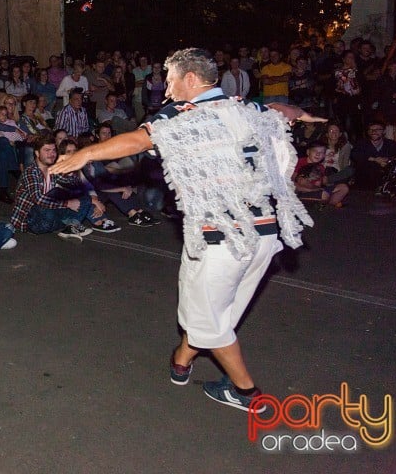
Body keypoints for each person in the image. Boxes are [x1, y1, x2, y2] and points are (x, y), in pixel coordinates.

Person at [51, 47, 320, 413]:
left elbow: (139, 140)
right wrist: (301, 113)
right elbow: (282, 111)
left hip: (222, 238)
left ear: (191, 80)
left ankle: (245, 392)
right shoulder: (246, 107)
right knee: (214, 311)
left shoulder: (184, 112)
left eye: (172, 81)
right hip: (263, 235)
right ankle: (181, 360)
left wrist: (83, 154)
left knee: (209, 321)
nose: (166, 91)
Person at [293, 143, 349, 208]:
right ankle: (323, 203)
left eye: (321, 152)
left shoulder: (320, 167)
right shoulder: (298, 162)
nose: (318, 154)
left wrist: (319, 187)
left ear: (324, 155)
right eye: (315, 151)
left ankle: (327, 205)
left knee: (344, 188)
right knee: (303, 182)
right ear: (308, 152)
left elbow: (317, 185)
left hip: (315, 191)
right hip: (299, 192)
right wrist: (311, 189)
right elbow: (291, 183)